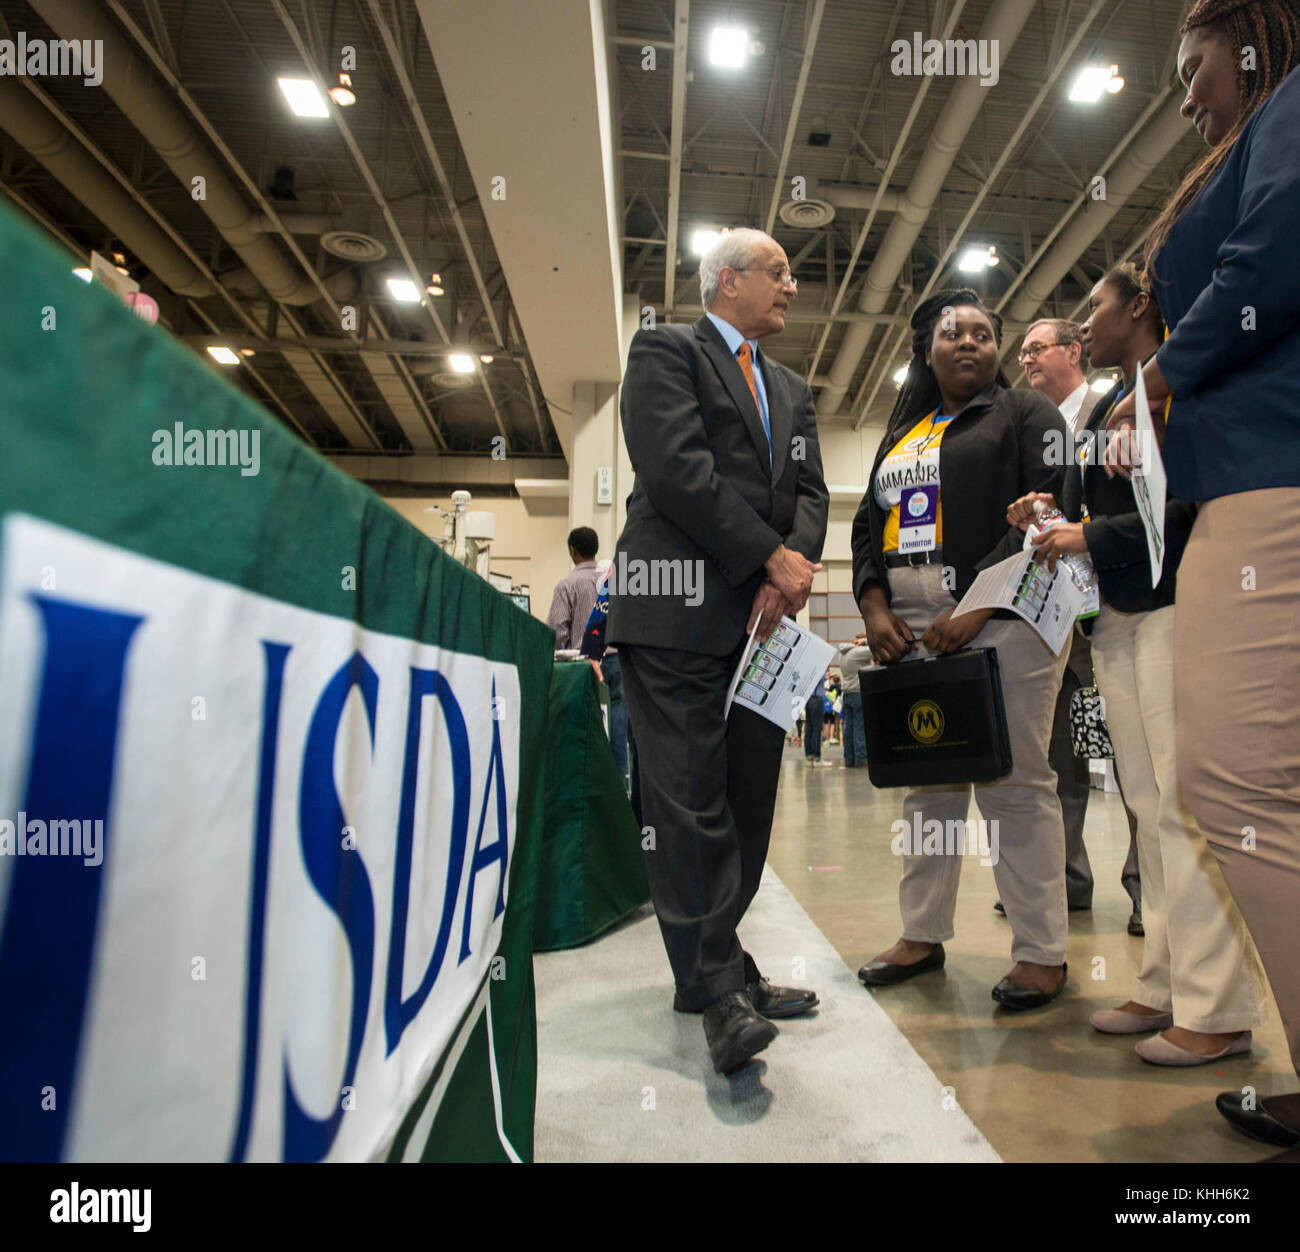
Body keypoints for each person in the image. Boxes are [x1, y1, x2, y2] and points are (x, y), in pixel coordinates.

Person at [1103, 0, 1300, 1152]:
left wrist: (1167, 372)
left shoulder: (1287, 107)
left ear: (1248, 39)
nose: (1182, 97)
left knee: (1230, 790)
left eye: (1192, 67)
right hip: (1251, 484)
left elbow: (1270, 248)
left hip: (1267, 485)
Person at [1010, 262, 1262, 1069]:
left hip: (1174, 613)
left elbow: (1193, 514)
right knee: (1147, 808)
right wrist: (1053, 515)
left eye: (1097, 307)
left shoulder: (1181, 394)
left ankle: (1218, 1008)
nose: (1086, 322)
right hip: (1115, 623)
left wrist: (1088, 537)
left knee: (1186, 813)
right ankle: (1163, 983)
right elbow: (1111, 513)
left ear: (1142, 306)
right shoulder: (1109, 412)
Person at [607, 227, 829, 1076]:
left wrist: (792, 569)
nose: (792, 288)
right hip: (677, 610)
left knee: (746, 800)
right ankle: (716, 991)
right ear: (727, 281)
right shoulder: (666, 350)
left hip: (766, 621)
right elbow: (676, 470)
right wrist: (765, 556)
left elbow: (808, 491)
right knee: (688, 804)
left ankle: (722, 965)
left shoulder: (793, 388)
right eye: (778, 273)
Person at [853, 288, 1072, 1010]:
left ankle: (1041, 951)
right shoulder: (904, 431)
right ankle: (922, 934)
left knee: (1015, 780)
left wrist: (977, 603)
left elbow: (1046, 504)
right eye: (953, 334)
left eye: (983, 333)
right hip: (910, 627)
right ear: (926, 349)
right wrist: (873, 603)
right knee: (929, 779)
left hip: (1003, 616)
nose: (970, 342)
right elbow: (865, 527)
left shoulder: (1024, 414)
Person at [1019, 319, 1144, 932]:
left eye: (1037, 348)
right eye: (1021, 352)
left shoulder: (1115, 409)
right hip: (1057, 617)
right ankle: (1065, 881)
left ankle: (1147, 889)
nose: (1027, 360)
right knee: (1056, 758)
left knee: (1134, 753)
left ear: (1074, 352)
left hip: (1120, 605)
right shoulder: (1034, 428)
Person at [546, 527, 601, 650]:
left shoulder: (566, 586)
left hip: (584, 661)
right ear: (596, 548)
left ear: (572, 550)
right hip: (615, 661)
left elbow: (558, 631)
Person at [837, 637, 871, 768]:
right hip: (858, 692)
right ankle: (861, 759)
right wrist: (866, 641)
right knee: (859, 727)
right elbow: (874, 649)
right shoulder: (857, 653)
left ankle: (849, 759)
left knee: (848, 728)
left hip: (847, 693)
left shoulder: (842, 655)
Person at [804, 675, 828, 767]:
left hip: (808, 698)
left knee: (809, 728)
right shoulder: (819, 666)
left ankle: (808, 755)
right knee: (817, 728)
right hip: (817, 698)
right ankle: (817, 757)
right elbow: (819, 679)